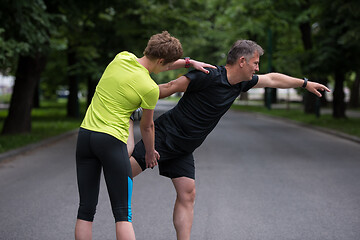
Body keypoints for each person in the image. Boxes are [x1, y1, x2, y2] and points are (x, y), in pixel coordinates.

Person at [129, 39, 330, 240]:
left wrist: (304, 83)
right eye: (256, 63)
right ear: (242, 61)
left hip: (184, 147)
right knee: (123, 174)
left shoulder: (240, 84)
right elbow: (168, 87)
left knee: (187, 193)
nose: (257, 68)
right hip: (165, 136)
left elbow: (272, 80)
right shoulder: (208, 75)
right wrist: (130, 103)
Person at [74, 31, 215, 240]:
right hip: (111, 141)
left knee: (86, 209)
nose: (166, 69)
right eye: (166, 65)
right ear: (160, 60)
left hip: (85, 136)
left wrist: (188, 62)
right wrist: (150, 152)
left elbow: (157, 59)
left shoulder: (121, 57)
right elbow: (147, 127)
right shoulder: (149, 88)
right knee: (122, 214)